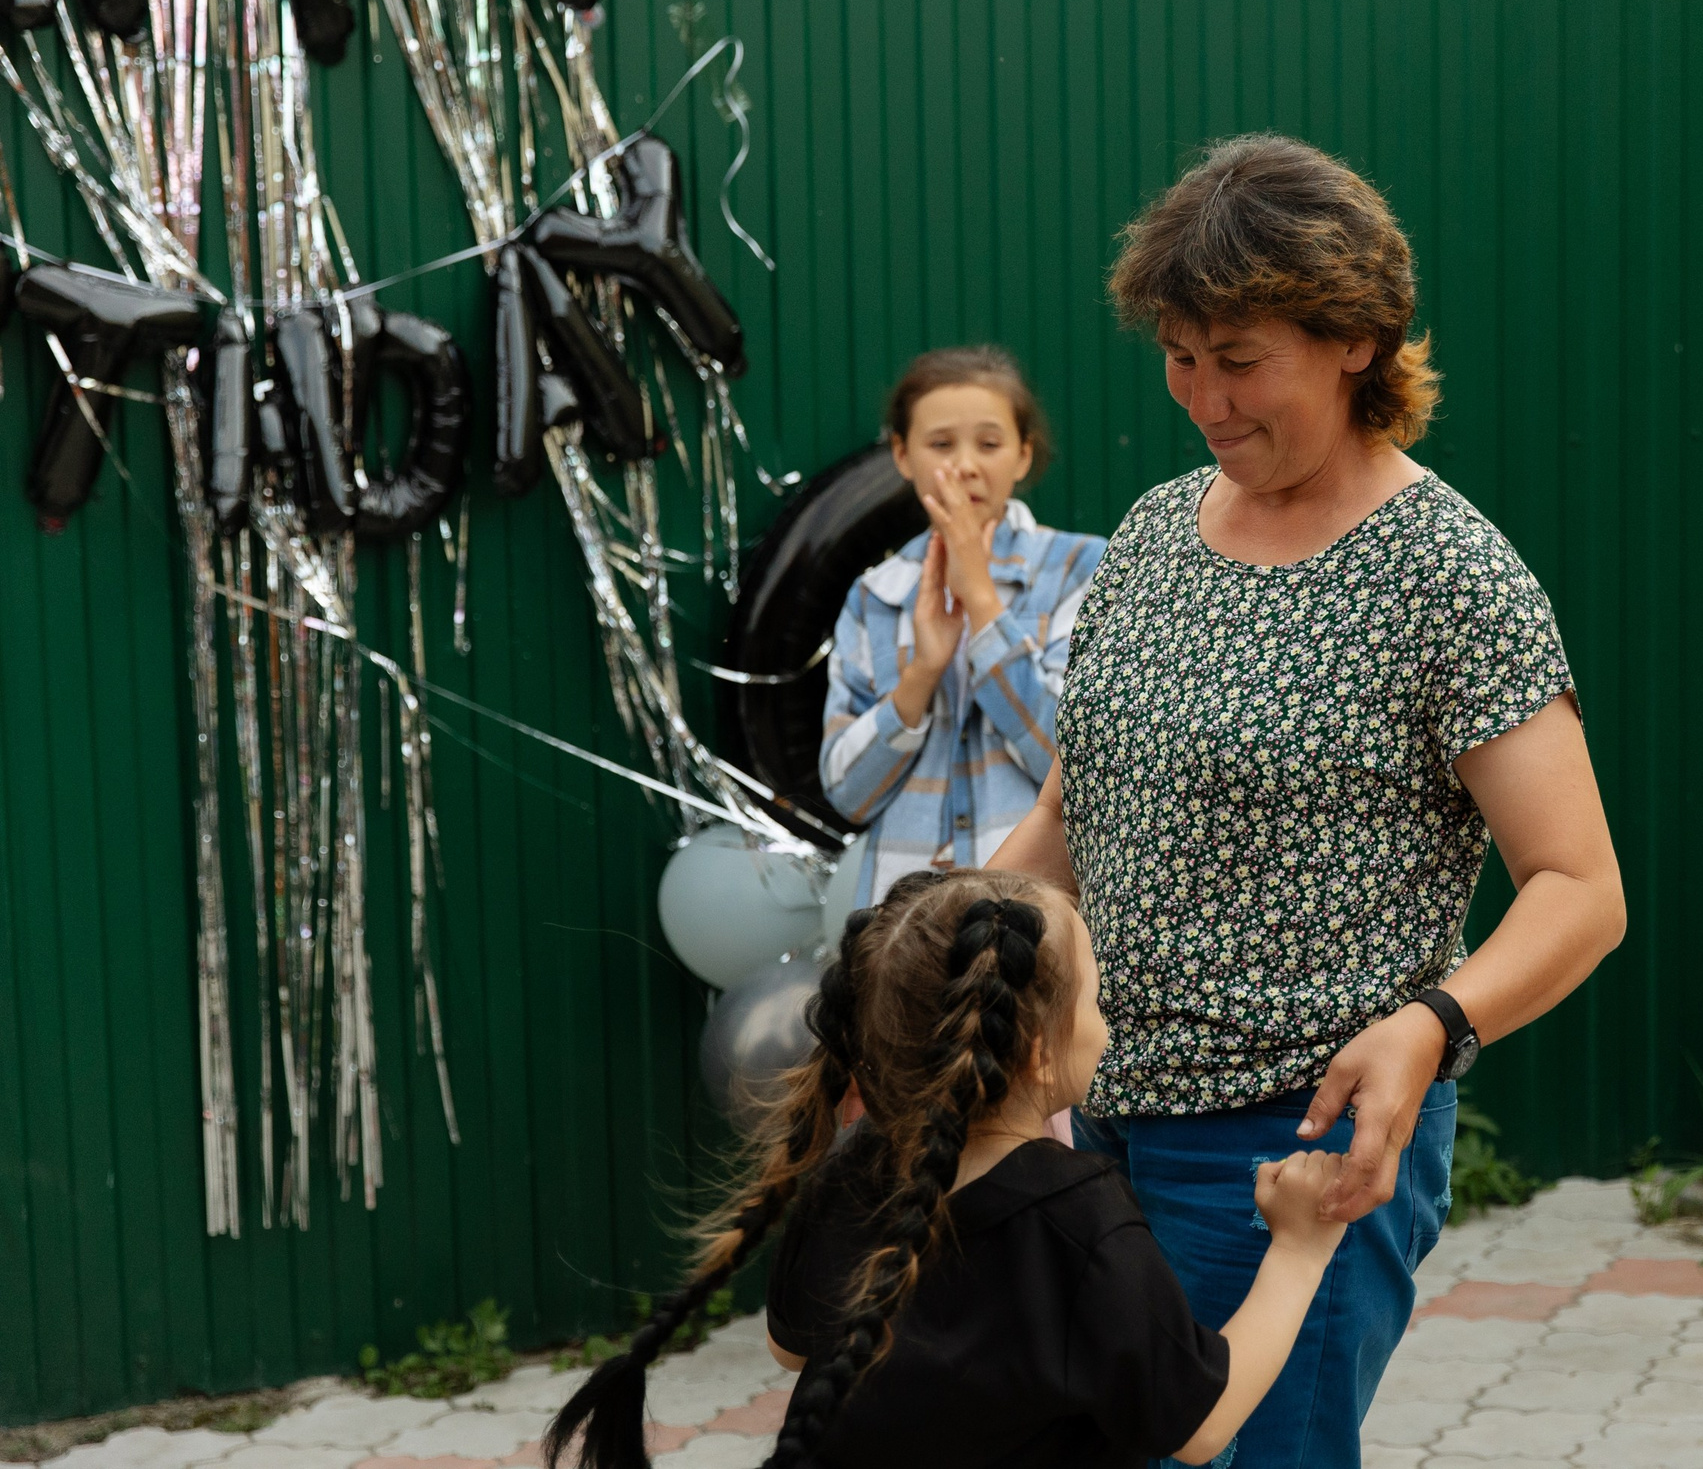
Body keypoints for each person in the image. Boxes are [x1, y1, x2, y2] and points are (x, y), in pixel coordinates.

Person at [990, 133, 1626, 1469]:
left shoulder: (1450, 572)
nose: (1203, 397)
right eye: (1179, 353)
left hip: (1295, 1150)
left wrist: (1431, 1022)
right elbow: (1069, 816)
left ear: (1355, 339)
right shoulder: (1158, 531)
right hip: (1092, 1122)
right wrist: (948, 965)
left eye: (1239, 357)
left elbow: (1580, 888)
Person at [542, 869, 1352, 1469]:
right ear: (1038, 1050)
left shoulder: (852, 1170)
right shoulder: (1082, 1219)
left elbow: (794, 1349)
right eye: (1097, 1001)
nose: (1106, 1023)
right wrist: (1299, 1247)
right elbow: (1202, 1424)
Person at [818, 346, 1106, 911]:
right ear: (903, 455)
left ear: (1023, 455)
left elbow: (1076, 765)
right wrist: (922, 672)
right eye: (941, 444)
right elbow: (848, 795)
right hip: (903, 927)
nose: (967, 464)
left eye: (990, 443)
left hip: (1037, 919)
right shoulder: (876, 595)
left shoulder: (1081, 570)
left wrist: (981, 602)